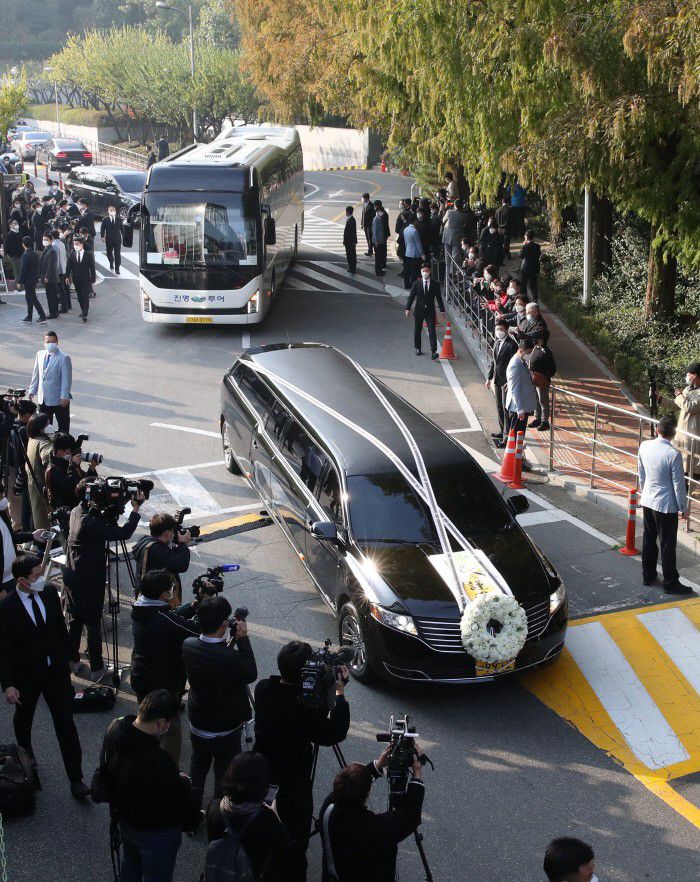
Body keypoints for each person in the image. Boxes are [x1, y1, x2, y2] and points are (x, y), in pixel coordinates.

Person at [254, 640, 350, 882]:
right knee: (295, 841)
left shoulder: (263, 689)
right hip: (292, 782)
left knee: (265, 827)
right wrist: (339, 691)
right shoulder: (305, 709)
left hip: (262, 771)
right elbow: (335, 732)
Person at [0, 553, 90, 798]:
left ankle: (76, 779)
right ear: (22, 581)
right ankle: (28, 768)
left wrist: (72, 657)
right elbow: (4, 650)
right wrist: (8, 685)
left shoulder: (49, 593)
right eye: (36, 575)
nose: (42, 578)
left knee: (66, 724)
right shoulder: (7, 608)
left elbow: (60, 628)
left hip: (55, 672)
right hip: (26, 677)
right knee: (24, 722)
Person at [100, 689, 201, 882]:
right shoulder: (159, 763)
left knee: (130, 866)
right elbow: (179, 799)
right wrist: (184, 782)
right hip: (156, 833)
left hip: (126, 821)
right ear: (160, 723)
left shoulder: (116, 729)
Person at [64, 479, 144, 679]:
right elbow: (123, 533)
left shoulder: (76, 511)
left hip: (73, 575)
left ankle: (71, 661)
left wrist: (109, 512)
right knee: (92, 622)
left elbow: (101, 523)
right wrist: (135, 511)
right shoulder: (92, 522)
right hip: (89, 580)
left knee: (75, 621)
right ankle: (97, 668)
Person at [182, 596, 257, 808]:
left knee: (197, 766)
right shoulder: (229, 658)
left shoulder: (188, 645)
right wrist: (242, 638)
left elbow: (217, 658)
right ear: (224, 624)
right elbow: (249, 672)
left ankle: (191, 814)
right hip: (225, 728)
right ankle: (217, 813)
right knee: (224, 773)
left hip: (198, 721)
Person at [319, 744, 425, 882]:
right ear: (367, 794)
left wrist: (378, 764)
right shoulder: (374, 828)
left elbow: (350, 785)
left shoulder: (328, 809)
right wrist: (417, 772)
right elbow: (410, 815)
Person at [130, 569, 201, 763]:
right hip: (161, 682)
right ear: (163, 594)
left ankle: (145, 755)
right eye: (171, 588)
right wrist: (207, 609)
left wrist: (193, 606)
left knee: (146, 721)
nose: (173, 590)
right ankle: (167, 769)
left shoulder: (141, 608)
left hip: (142, 676)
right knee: (170, 729)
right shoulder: (161, 619)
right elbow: (193, 629)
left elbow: (172, 615)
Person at [205, 752, 292, 882]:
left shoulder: (214, 807)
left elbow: (212, 837)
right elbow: (286, 852)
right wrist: (277, 819)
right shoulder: (266, 819)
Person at [638, 416, 692, 595]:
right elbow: (678, 485)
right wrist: (683, 508)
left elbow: (642, 473)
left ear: (657, 430)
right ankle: (670, 582)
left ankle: (648, 575)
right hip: (666, 505)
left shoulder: (644, 446)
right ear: (673, 434)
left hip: (648, 500)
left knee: (648, 538)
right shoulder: (673, 454)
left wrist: (644, 491)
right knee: (668, 544)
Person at [132, 512, 191, 605]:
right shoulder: (157, 550)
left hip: (146, 594)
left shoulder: (144, 540)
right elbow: (182, 564)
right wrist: (183, 544)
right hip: (157, 601)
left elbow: (169, 557)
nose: (173, 535)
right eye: (172, 532)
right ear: (167, 534)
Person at [0, 491, 45, 598]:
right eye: (1, 496)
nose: (4, 499)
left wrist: (32, 535)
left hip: (12, 576)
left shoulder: (2, 514)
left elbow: (11, 537)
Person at [28, 330, 72, 431]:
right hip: (43, 398)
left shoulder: (64, 358)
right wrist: (32, 390)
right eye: (48, 342)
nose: (51, 344)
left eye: (53, 341)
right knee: (45, 428)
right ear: (44, 343)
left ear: (57, 342)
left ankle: (64, 446)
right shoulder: (40, 354)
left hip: (59, 400)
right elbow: (36, 374)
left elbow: (66, 379)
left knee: (63, 426)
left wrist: (64, 396)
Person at [487, 318, 518, 445]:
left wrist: (509, 381)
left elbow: (514, 365)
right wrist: (489, 377)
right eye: (497, 329)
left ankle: (507, 437)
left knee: (506, 409)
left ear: (506, 330)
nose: (498, 331)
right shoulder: (496, 342)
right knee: (499, 407)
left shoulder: (512, 345)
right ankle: (502, 430)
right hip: (497, 380)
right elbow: (494, 361)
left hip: (506, 382)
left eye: (501, 329)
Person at [405, 262, 445, 359]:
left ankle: (433, 351)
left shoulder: (435, 284)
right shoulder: (416, 283)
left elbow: (439, 297)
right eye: (423, 271)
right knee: (417, 330)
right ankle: (418, 348)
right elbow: (411, 297)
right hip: (419, 310)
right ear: (421, 272)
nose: (425, 273)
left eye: (427, 271)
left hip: (430, 310)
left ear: (430, 271)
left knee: (432, 330)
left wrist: (442, 310)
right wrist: (407, 308)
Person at [505, 335, 538, 440]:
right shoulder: (515, 365)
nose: (529, 355)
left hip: (522, 405)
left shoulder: (521, 361)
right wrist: (520, 409)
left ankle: (517, 454)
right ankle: (515, 455)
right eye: (528, 352)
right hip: (518, 408)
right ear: (521, 350)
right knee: (516, 434)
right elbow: (515, 390)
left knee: (520, 434)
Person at [25, 412, 53, 531]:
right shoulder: (43, 443)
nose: (50, 425)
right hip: (42, 485)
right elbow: (48, 460)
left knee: (36, 513)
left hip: (33, 483)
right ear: (41, 428)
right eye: (48, 424)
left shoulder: (32, 440)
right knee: (44, 519)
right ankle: (42, 544)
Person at [528, 333, 556, 431]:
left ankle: (545, 421)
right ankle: (537, 418)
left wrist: (546, 376)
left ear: (542, 340)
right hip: (534, 378)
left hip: (542, 379)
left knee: (543, 401)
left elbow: (552, 368)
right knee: (535, 399)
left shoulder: (546, 351)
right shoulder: (536, 348)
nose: (534, 341)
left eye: (536, 339)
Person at [66, 236, 96, 322]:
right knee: (79, 297)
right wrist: (67, 276)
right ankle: (83, 310)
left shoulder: (88, 255)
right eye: (74, 244)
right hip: (76, 279)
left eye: (77, 244)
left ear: (82, 244)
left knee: (85, 296)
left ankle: (85, 313)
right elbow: (69, 266)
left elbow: (92, 268)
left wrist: (93, 278)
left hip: (86, 279)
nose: (75, 246)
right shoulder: (72, 254)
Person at [18, 236, 47, 324]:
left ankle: (42, 316)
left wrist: (20, 282)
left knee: (32, 298)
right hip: (33, 278)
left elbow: (23, 270)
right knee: (29, 297)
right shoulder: (34, 254)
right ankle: (29, 316)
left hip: (28, 280)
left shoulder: (25, 255)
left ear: (23, 244)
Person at [38, 232, 60, 318]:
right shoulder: (47, 249)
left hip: (50, 277)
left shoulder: (52, 251)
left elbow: (51, 265)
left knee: (51, 296)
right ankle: (54, 312)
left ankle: (53, 313)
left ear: (51, 240)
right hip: (48, 276)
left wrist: (47, 276)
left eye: (46, 240)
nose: (44, 241)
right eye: (43, 239)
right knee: (52, 295)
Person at [49, 229, 70, 313]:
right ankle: (67, 305)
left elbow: (55, 260)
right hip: (64, 267)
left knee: (60, 289)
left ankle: (64, 307)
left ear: (52, 236)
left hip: (58, 270)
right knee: (64, 288)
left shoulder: (54, 245)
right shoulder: (61, 243)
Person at [441, 198, 467, 263]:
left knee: (447, 258)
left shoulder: (449, 212)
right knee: (455, 258)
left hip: (447, 236)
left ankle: (447, 273)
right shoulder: (464, 215)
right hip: (457, 238)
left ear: (454, 205)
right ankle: (453, 272)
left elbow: (443, 220)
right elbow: (464, 225)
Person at [402, 217, 425, 289]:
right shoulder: (415, 231)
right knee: (414, 271)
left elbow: (405, 241)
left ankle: (407, 285)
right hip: (415, 253)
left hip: (408, 252)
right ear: (414, 222)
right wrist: (422, 254)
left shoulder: (405, 229)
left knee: (407, 270)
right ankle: (414, 285)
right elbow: (418, 244)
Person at [100, 204, 124, 273]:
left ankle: (117, 268)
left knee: (117, 254)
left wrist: (124, 238)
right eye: (111, 210)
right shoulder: (105, 219)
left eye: (113, 210)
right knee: (109, 253)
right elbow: (102, 229)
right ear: (108, 211)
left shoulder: (119, 220)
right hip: (109, 239)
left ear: (115, 211)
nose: (112, 211)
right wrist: (102, 236)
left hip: (117, 239)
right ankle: (111, 262)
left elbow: (122, 229)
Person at [520, 229, 541, 300]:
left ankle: (525, 299)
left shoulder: (525, 246)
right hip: (534, 267)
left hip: (525, 267)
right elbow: (538, 255)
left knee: (523, 284)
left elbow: (520, 255)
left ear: (526, 237)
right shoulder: (537, 246)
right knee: (533, 285)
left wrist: (523, 246)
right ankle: (535, 299)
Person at [2, 216, 24, 282]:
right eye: (14, 223)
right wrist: (11, 255)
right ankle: (18, 286)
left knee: (21, 270)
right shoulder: (9, 235)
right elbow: (6, 247)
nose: (16, 224)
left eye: (17, 223)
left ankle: (21, 285)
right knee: (17, 271)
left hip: (21, 255)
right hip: (14, 256)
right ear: (10, 225)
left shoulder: (19, 233)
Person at [372, 205, 388, 276]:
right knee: (377, 258)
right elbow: (374, 232)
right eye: (381, 211)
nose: (382, 213)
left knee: (380, 256)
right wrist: (376, 241)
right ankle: (377, 271)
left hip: (381, 240)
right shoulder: (376, 219)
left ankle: (380, 270)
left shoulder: (379, 218)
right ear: (378, 212)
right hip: (378, 241)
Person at [343, 206, 357, 274]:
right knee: (350, 255)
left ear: (347, 212)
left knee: (351, 255)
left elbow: (352, 233)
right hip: (349, 241)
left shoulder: (351, 220)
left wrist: (353, 242)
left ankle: (352, 268)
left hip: (350, 242)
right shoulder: (350, 219)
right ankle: (351, 267)